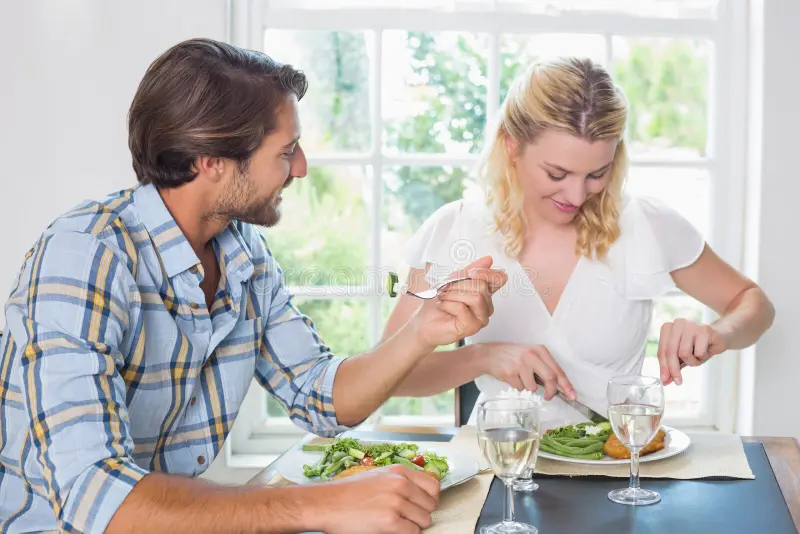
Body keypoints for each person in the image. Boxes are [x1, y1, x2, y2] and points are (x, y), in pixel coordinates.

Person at [0, 38, 507, 534]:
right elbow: (97, 499)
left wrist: (423, 330)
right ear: (211, 161)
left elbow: (321, 398)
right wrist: (319, 505)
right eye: (287, 151)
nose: (302, 168)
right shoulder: (84, 255)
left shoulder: (243, 253)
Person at [383, 57, 775, 429]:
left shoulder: (646, 223)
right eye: (557, 173)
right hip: (500, 460)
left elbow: (754, 305)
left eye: (597, 173)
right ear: (511, 145)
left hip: (616, 465)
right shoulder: (454, 228)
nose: (575, 194)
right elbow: (391, 376)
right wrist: (483, 357)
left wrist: (716, 334)